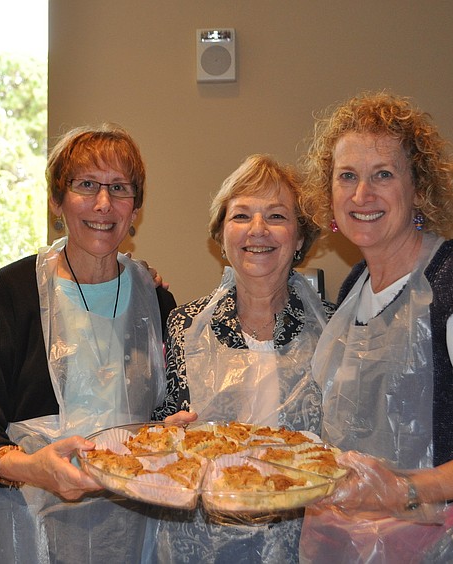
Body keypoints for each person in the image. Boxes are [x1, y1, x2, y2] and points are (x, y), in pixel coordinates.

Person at [298, 91, 453, 562]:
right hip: (364, 549)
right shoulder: (357, 285)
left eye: (383, 175)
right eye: (346, 176)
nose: (361, 195)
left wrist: (405, 490)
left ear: (420, 189)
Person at [0, 124, 177, 564]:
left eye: (119, 188)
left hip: (123, 538)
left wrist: (173, 435)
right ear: (57, 200)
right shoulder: (10, 293)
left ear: (136, 207)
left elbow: (160, 416)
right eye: (85, 185)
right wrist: (28, 468)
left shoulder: (157, 301)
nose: (103, 204)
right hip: (13, 531)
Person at [142, 154, 333, 563]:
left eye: (277, 216)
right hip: (200, 546)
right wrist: (165, 434)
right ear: (222, 235)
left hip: (306, 544)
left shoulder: (336, 331)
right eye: (242, 215)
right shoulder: (184, 325)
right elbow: (161, 426)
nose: (258, 230)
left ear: (300, 238)